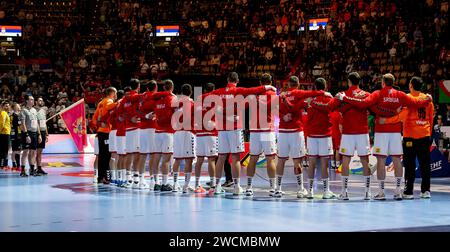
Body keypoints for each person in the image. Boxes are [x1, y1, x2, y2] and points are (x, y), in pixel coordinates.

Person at [339, 73, 432, 200]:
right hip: (395, 133)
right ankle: (398, 191)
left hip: (381, 131)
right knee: (397, 160)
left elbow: (362, 103)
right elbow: (416, 103)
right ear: (392, 82)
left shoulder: (377, 93)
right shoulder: (400, 95)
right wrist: (427, 99)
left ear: (383, 82)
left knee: (381, 161)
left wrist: (345, 98)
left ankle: (381, 192)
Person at [210, 72, 276, 195]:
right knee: (240, 158)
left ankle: (220, 187)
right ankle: (270, 188)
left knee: (223, 158)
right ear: (237, 80)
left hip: (230, 130)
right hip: (259, 129)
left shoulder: (220, 92)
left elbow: (208, 100)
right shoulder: (264, 94)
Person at [377, 77, 434, 199]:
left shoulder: (407, 99)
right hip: (425, 135)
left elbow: (401, 117)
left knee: (409, 165)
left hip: (410, 137)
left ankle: (409, 192)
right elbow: (430, 119)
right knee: (425, 164)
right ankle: (426, 191)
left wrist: (385, 120)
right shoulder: (428, 100)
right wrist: (429, 133)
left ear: (411, 85)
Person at [275, 76, 329, 198]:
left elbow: (274, 109)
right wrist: (324, 92)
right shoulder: (298, 93)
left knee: (281, 160)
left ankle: (277, 188)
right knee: (296, 161)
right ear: (298, 84)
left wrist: (282, 116)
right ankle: (300, 189)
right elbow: (312, 92)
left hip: (283, 131)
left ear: (288, 84)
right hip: (295, 131)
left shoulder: (281, 96)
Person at [245, 73, 278, 197]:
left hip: (255, 130)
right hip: (267, 130)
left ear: (260, 83)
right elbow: (275, 111)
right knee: (270, 159)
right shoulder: (273, 94)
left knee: (253, 158)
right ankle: (273, 188)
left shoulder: (254, 94)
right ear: (271, 82)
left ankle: (248, 187)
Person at [303, 78, 336, 200]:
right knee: (324, 163)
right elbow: (333, 105)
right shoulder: (328, 98)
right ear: (326, 86)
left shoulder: (309, 100)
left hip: (312, 135)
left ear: (314, 87)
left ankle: (310, 191)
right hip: (324, 135)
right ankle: (326, 191)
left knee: (311, 163)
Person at [151, 80, 177, 192]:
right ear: (172, 88)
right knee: (166, 159)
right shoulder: (172, 98)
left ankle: (155, 183)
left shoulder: (157, 99)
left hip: (157, 132)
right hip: (168, 132)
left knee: (156, 158)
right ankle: (165, 183)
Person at [172, 84, 196, 193]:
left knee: (177, 159)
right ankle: (186, 185)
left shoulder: (175, 103)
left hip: (177, 133)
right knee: (188, 160)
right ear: (190, 92)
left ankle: (175, 184)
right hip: (187, 132)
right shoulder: (191, 103)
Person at [193, 83, 218, 193]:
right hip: (211, 133)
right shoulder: (215, 100)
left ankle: (197, 185)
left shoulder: (198, 100)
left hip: (199, 133)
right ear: (213, 90)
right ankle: (213, 186)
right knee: (211, 159)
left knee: (199, 160)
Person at [93, 87, 117, 184]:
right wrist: (120, 102)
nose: (115, 95)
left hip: (100, 132)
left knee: (102, 155)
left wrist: (99, 124)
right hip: (106, 133)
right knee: (106, 156)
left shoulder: (100, 103)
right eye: (115, 93)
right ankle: (103, 177)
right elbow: (109, 107)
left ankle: (100, 177)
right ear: (111, 93)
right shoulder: (108, 101)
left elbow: (94, 119)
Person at [20, 95, 42, 176]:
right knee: (26, 151)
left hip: (34, 132)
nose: (33, 101)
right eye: (31, 99)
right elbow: (22, 124)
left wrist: (39, 134)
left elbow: (37, 123)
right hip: (27, 133)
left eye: (33, 99)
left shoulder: (34, 110)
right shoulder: (23, 111)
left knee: (33, 151)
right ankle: (22, 171)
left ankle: (32, 170)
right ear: (27, 101)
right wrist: (26, 135)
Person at [107, 90, 124, 185]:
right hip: (119, 132)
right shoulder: (121, 105)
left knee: (113, 156)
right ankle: (119, 177)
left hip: (112, 132)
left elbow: (108, 120)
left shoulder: (113, 106)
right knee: (120, 155)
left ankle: (113, 177)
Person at [35, 97, 48, 175]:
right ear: (36, 102)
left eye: (42, 100)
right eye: (39, 100)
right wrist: (39, 134)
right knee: (35, 152)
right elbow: (36, 123)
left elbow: (44, 123)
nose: (41, 101)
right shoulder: (34, 111)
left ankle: (39, 168)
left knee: (40, 152)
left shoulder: (43, 111)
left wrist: (46, 134)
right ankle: (35, 168)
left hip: (43, 132)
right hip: (37, 132)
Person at [10, 103, 23, 173]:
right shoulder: (14, 115)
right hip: (16, 135)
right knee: (16, 150)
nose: (19, 106)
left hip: (17, 134)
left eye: (19, 105)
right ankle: (17, 166)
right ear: (14, 107)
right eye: (18, 105)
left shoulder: (17, 115)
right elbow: (18, 125)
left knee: (16, 150)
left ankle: (14, 165)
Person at [0, 100, 11, 169]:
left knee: (4, 150)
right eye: (6, 106)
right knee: (4, 150)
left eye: (8, 106)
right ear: (3, 106)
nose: (8, 107)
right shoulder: (3, 113)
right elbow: (2, 124)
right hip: (4, 134)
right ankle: (3, 165)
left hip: (5, 133)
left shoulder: (5, 113)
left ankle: (3, 164)